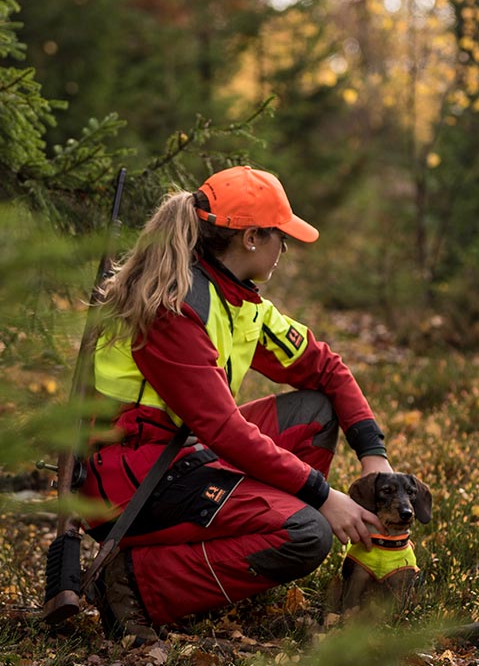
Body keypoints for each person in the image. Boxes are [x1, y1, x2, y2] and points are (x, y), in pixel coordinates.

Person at [82, 165, 395, 644]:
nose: (284, 249)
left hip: (182, 455)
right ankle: (132, 584)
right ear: (251, 238)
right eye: (280, 237)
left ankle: (246, 545)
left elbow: (326, 368)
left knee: (316, 411)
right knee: (308, 533)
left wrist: (375, 457)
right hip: (131, 483)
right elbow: (224, 431)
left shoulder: (237, 299)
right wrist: (323, 496)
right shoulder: (174, 308)